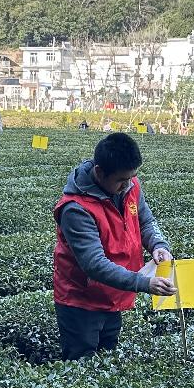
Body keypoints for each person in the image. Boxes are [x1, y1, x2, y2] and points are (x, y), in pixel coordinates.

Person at [53, 132, 177, 360]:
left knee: (108, 358)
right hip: (81, 300)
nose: (128, 184)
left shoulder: (130, 187)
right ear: (99, 173)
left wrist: (157, 244)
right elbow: (95, 264)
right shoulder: (76, 209)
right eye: (121, 179)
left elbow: (145, 220)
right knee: (82, 362)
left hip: (115, 293)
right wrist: (143, 283)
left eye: (132, 177)